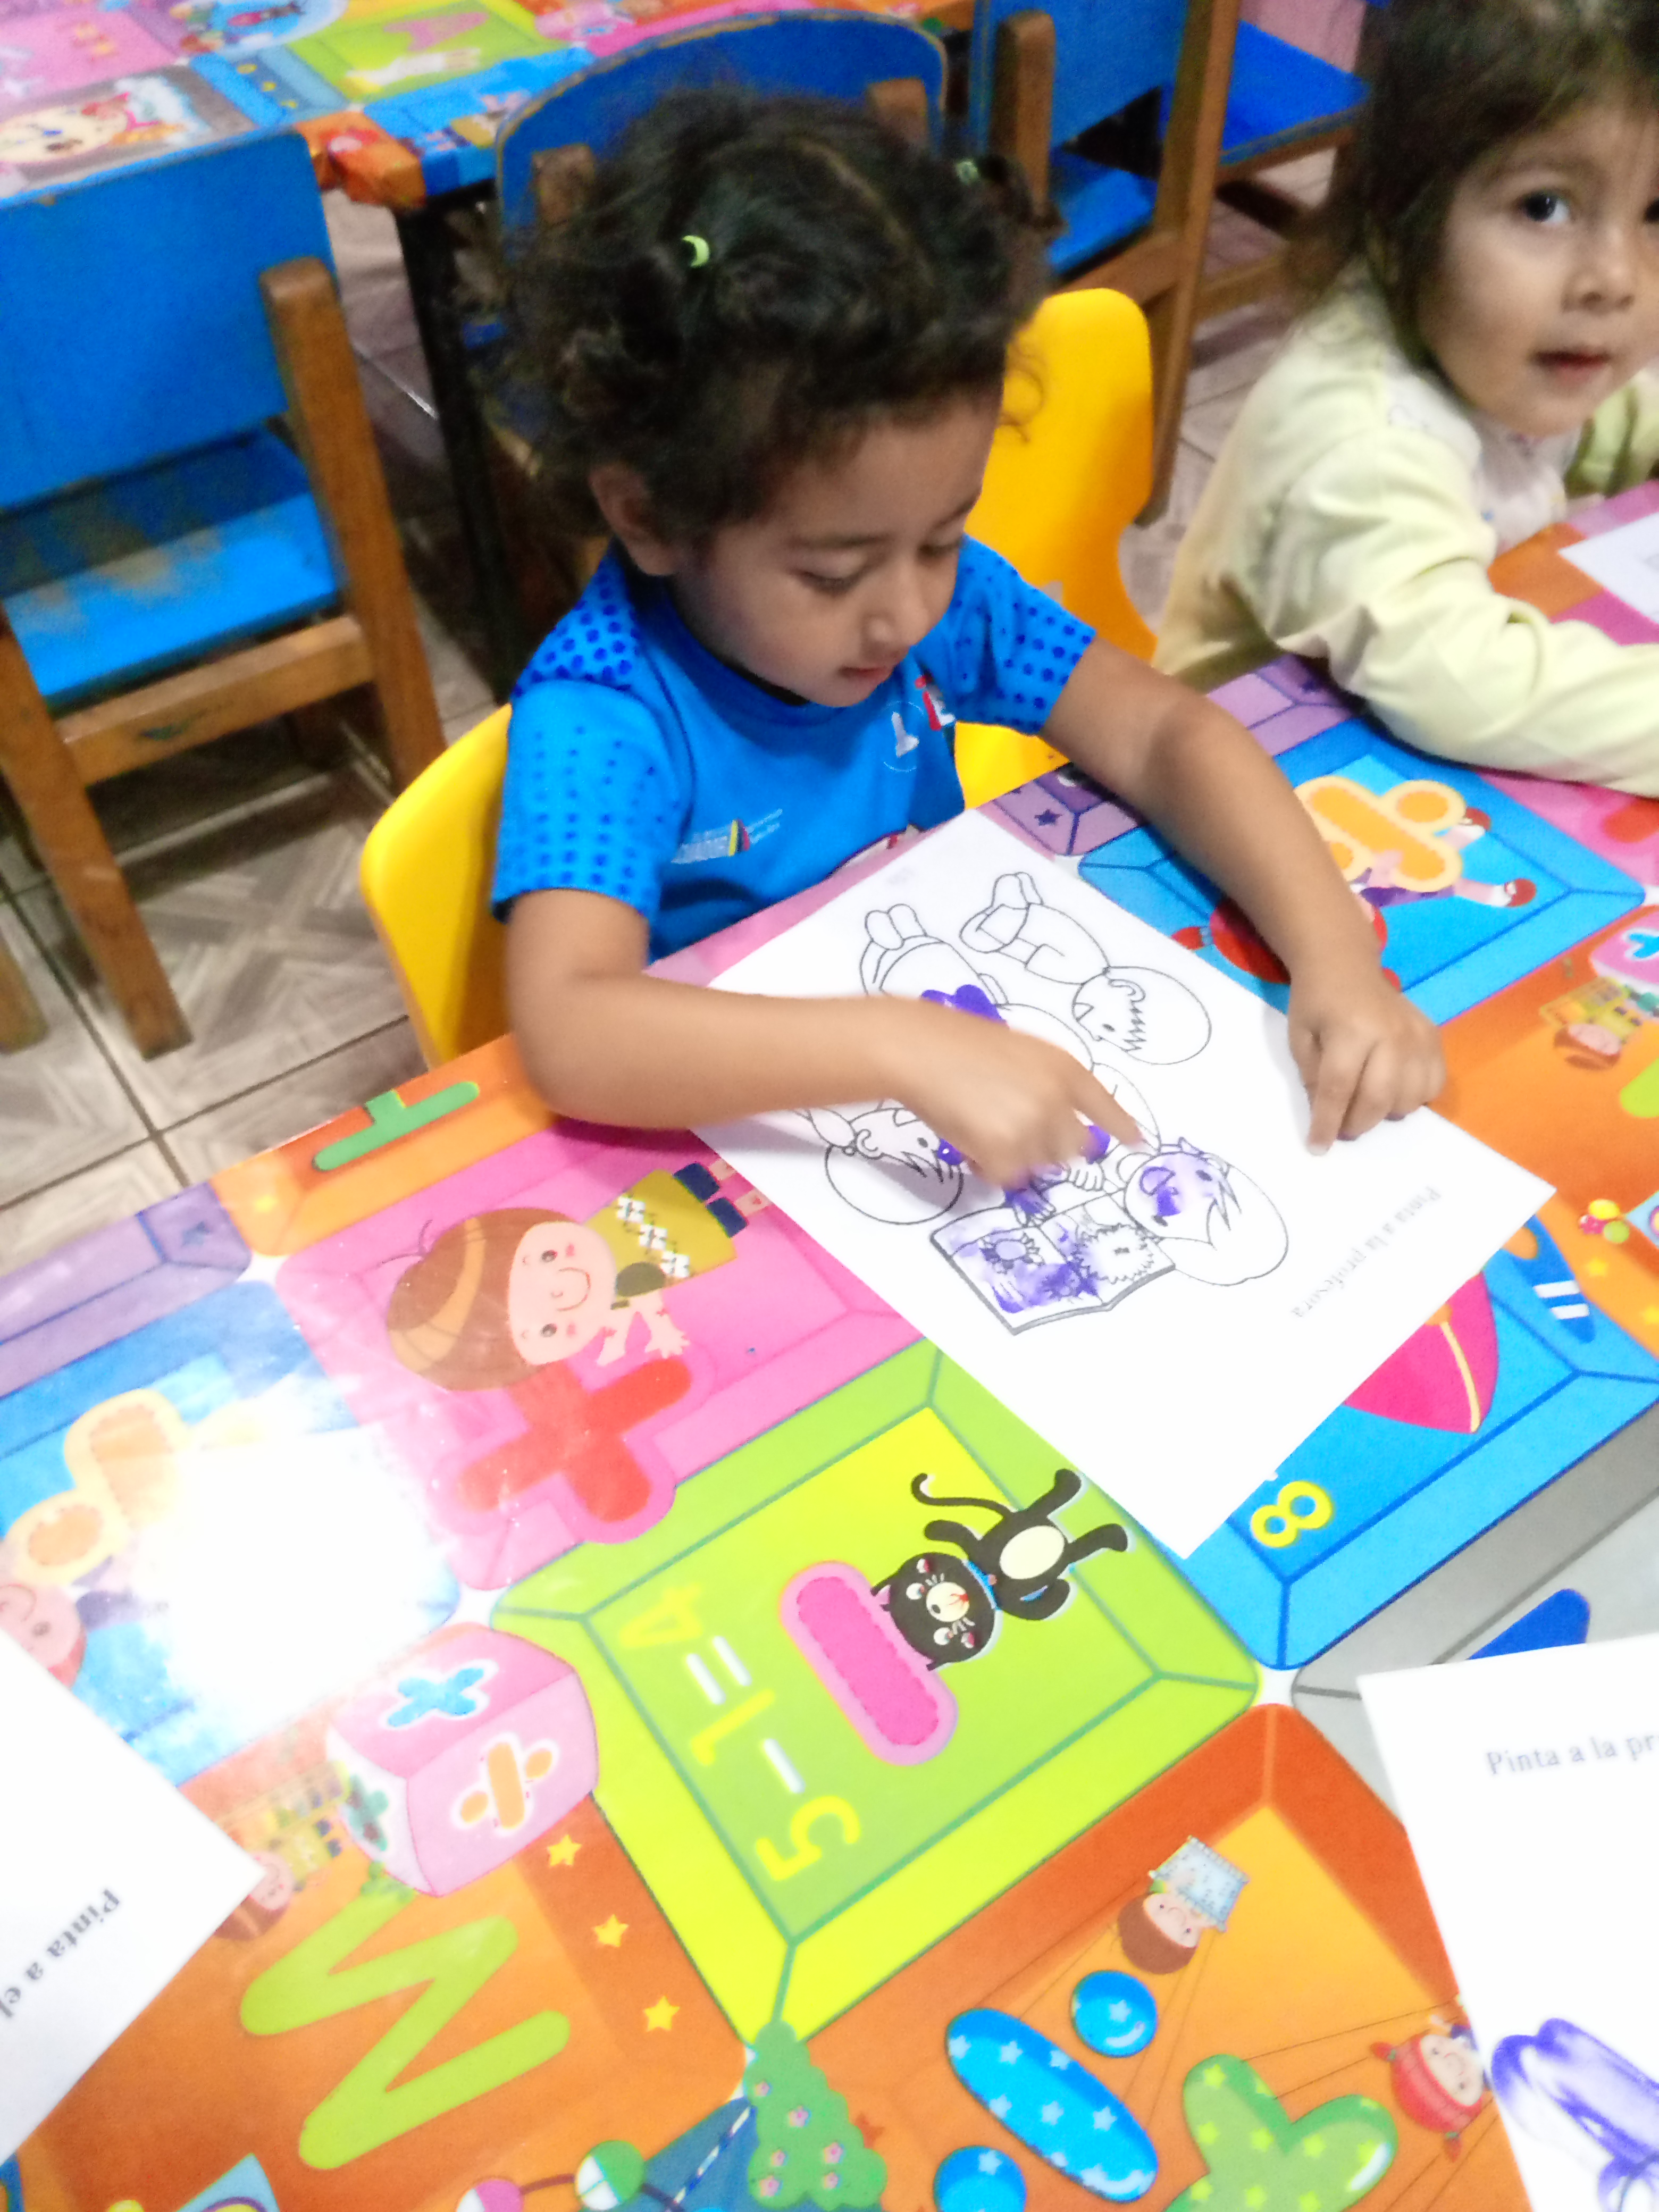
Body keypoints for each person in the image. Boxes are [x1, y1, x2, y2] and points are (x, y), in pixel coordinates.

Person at [497, 91, 1440, 1190]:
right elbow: (571, 1029)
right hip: (742, 1135)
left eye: (943, 537)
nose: (905, 614)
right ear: (650, 515)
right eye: (834, 572)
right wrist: (895, 1045)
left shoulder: (949, 609)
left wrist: (1333, 953)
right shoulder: (605, 717)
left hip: (943, 1028)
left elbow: (1161, 733)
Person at [1157, 0, 1659, 798]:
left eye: (1655, 213)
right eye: (1544, 206)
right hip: (1232, 794)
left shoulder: (1498, 350)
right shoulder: (1360, 439)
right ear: (1398, 222)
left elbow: (1602, 426)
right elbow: (1455, 680)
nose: (1616, 277)